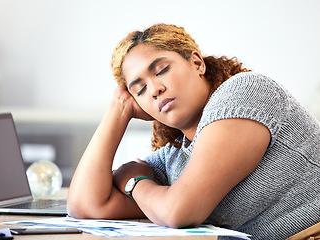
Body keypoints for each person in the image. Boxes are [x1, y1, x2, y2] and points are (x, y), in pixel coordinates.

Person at [67, 23, 320, 240]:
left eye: (162, 70)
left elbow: (178, 211)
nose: (154, 89)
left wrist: (134, 183)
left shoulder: (246, 92)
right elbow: (85, 205)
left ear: (197, 63)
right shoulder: (175, 157)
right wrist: (118, 110)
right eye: (139, 89)